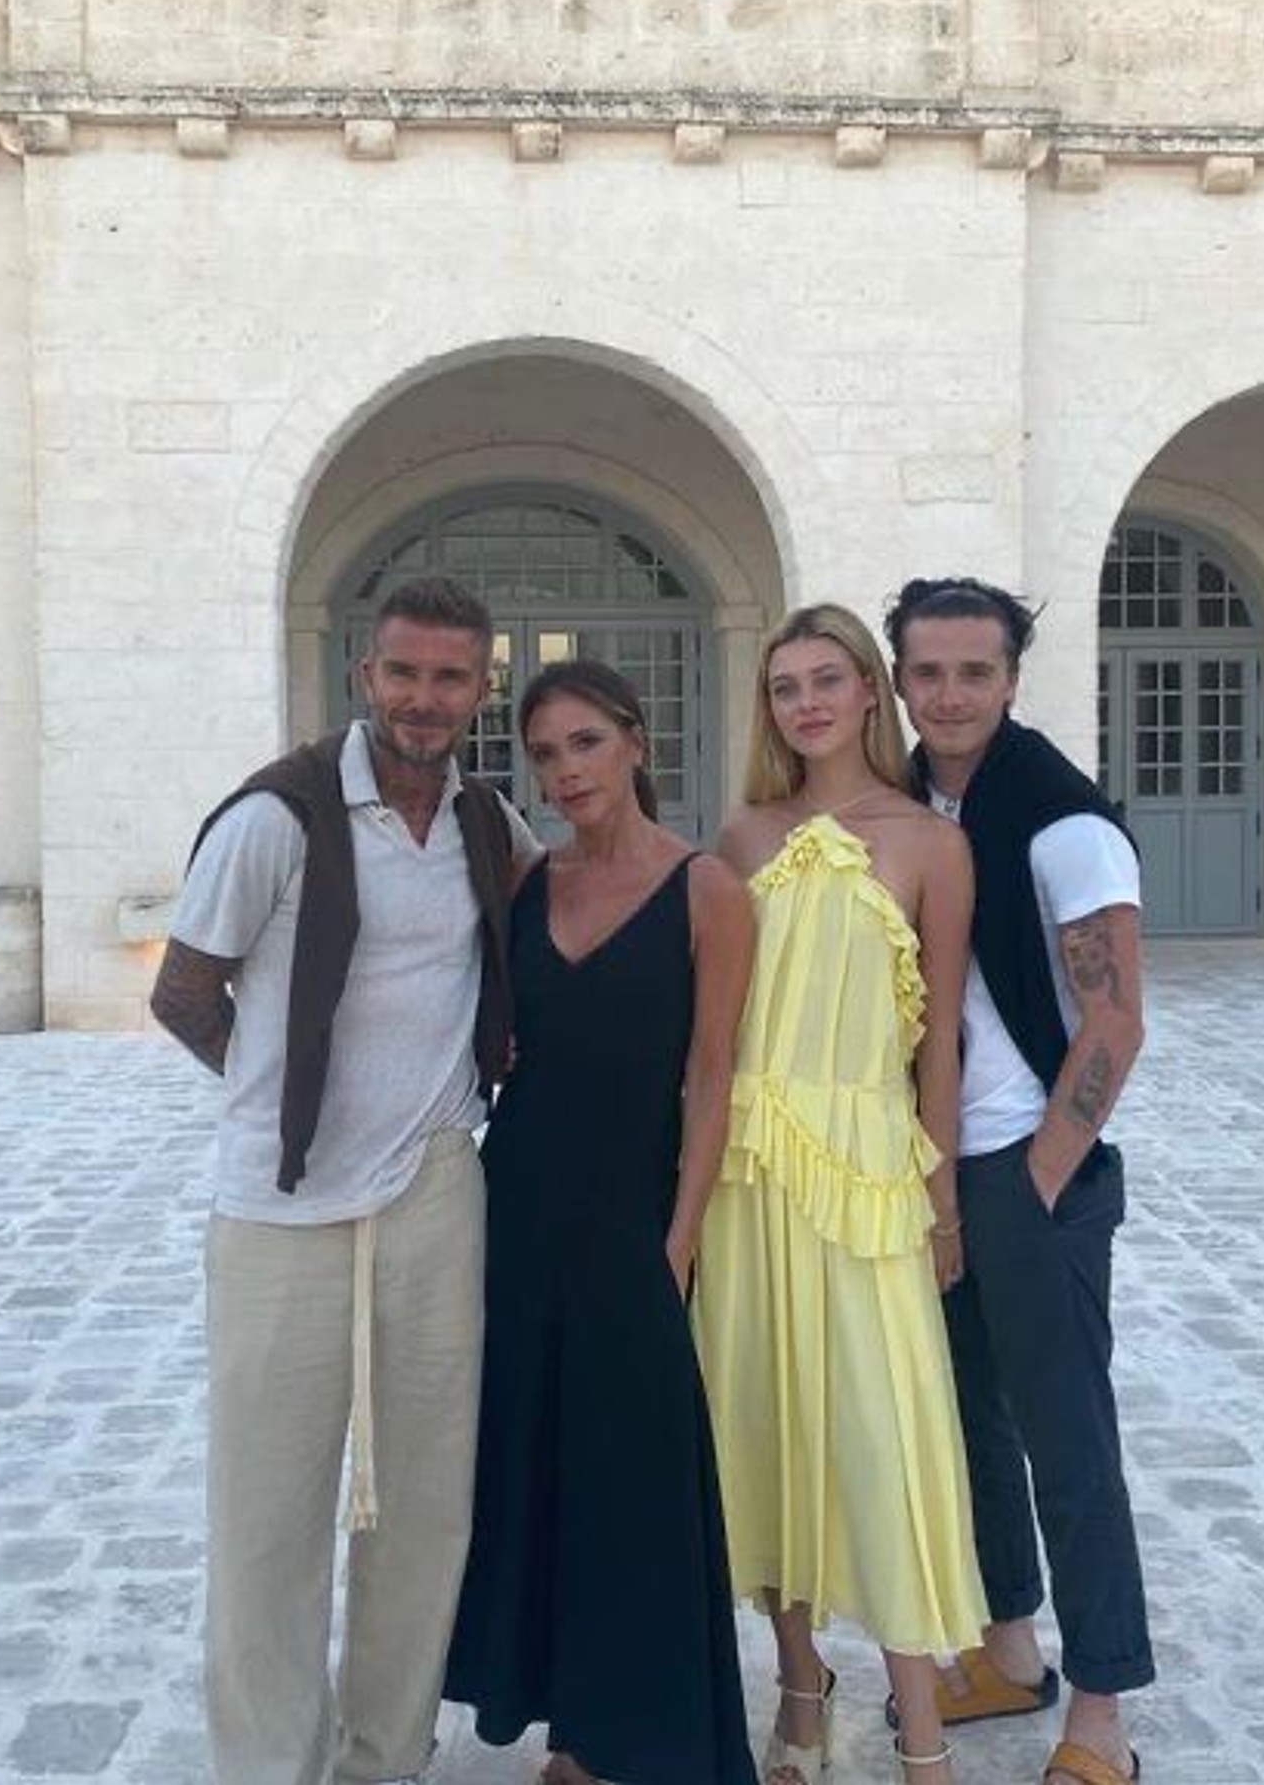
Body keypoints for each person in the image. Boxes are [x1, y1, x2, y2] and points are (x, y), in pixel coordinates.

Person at [150, 574, 539, 1785]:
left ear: (481, 689)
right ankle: (271, 1764)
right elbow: (182, 991)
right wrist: (286, 1092)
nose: (424, 697)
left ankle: (385, 1752)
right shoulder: (277, 818)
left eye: (450, 677)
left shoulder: (486, 824)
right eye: (403, 671)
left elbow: (553, 927)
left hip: (435, 1186)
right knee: (267, 1512)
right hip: (282, 1208)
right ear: (366, 675)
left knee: (425, 1502)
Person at [444, 659, 758, 1785]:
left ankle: (644, 1732)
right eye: (543, 753)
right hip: (520, 1209)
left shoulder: (707, 888)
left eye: (584, 742)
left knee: (634, 1474)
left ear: (634, 741)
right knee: (535, 1465)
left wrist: (680, 1237)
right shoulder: (527, 883)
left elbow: (711, 1078)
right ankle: (572, 1738)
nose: (565, 770)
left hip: (633, 1217)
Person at [691, 603, 988, 1785]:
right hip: (749, 1171)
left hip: (868, 1174)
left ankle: (921, 1734)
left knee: (883, 1435)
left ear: (871, 690)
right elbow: (708, 1031)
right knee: (764, 1423)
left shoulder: (931, 845)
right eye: (784, 687)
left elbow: (941, 1044)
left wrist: (941, 1200)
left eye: (826, 679)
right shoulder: (740, 835)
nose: (806, 703)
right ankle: (800, 1688)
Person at [887, 575, 1153, 1785]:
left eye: (974, 672)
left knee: (1067, 1438)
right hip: (934, 1164)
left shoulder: (1061, 820)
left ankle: (1099, 1711)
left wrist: (1041, 1177)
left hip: (1028, 1168)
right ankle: (1006, 1644)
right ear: (901, 679)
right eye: (927, 672)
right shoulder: (910, 799)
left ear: (1010, 678)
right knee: (967, 1422)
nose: (949, 695)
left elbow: (1114, 1023)